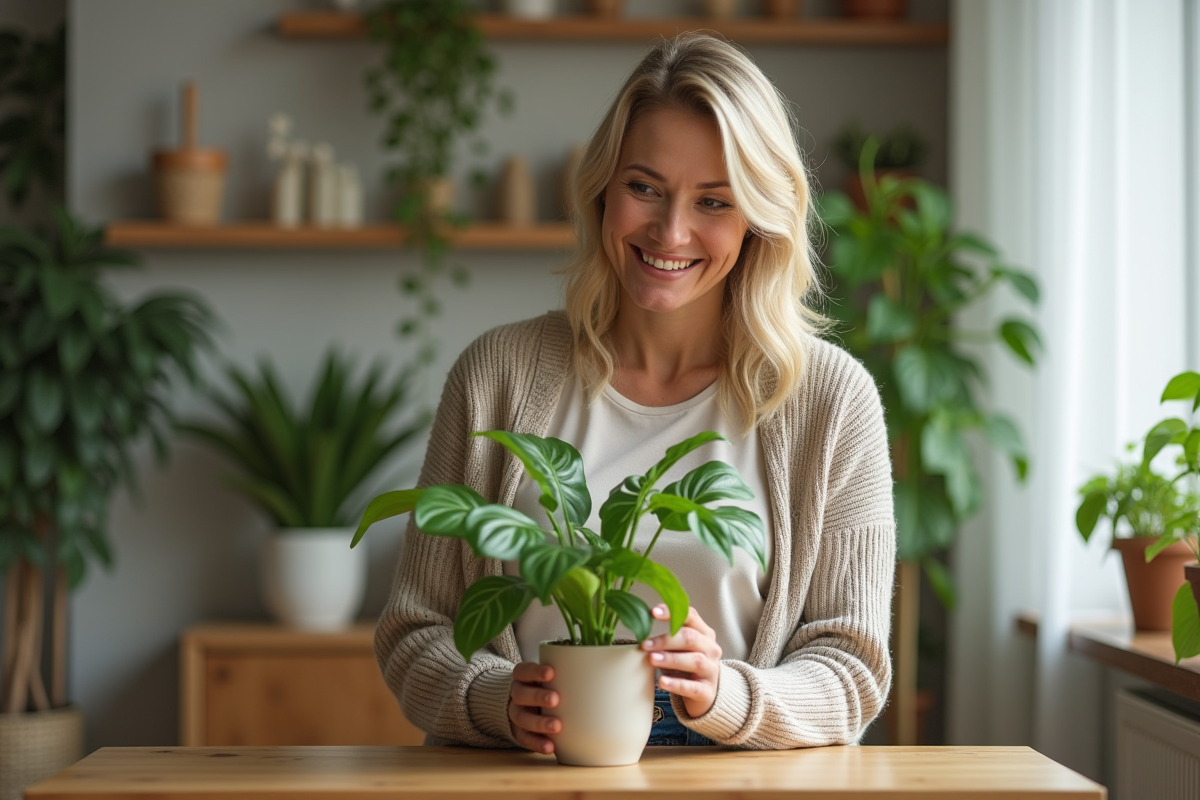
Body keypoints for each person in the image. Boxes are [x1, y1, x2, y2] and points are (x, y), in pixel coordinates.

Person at [375, 32, 895, 752]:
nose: (671, 230)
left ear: (757, 223)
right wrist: (494, 699)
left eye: (714, 201)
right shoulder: (496, 374)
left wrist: (730, 694)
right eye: (644, 187)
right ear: (602, 190)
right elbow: (413, 631)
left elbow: (853, 670)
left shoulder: (831, 402)